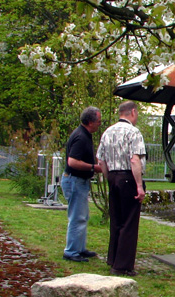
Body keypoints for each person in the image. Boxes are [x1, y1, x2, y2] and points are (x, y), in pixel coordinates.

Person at [96, 101, 146, 276]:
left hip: (113, 177)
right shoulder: (134, 132)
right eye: (137, 113)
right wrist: (139, 186)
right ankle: (123, 265)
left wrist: (108, 177)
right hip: (128, 178)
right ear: (132, 112)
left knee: (116, 220)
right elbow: (134, 160)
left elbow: (101, 160)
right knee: (129, 223)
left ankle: (113, 258)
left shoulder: (107, 132)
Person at [61, 106, 103, 262]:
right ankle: (71, 251)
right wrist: (94, 167)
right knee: (77, 217)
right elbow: (72, 162)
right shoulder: (81, 136)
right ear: (90, 121)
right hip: (75, 180)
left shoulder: (85, 134)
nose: (100, 124)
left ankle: (80, 248)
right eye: (98, 121)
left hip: (79, 181)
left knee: (82, 216)